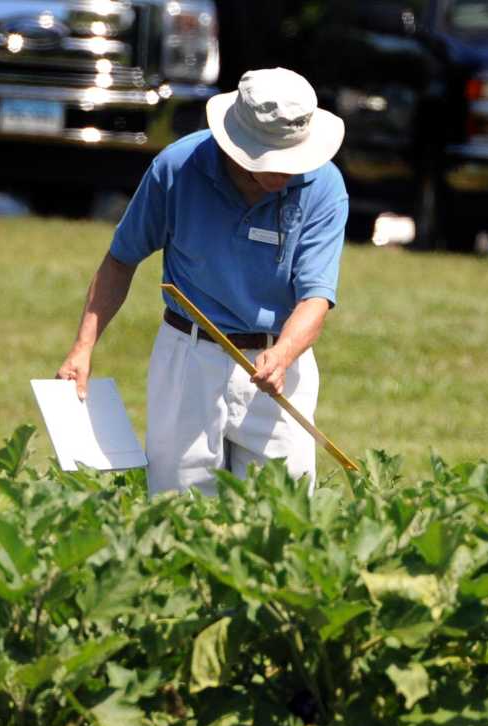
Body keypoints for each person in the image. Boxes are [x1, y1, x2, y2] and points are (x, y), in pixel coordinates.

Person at [55, 67, 348, 496]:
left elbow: (316, 297)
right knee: (177, 507)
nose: (286, 173)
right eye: (273, 161)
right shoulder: (176, 168)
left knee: (285, 514)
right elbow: (120, 260)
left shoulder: (325, 186)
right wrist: (83, 348)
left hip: (279, 363)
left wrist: (283, 355)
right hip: (188, 358)